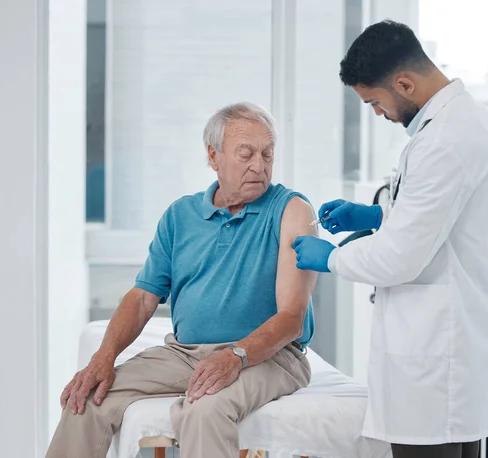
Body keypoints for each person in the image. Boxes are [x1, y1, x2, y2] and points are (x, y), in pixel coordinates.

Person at [292, 20, 488, 458]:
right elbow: (445, 217)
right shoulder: (458, 122)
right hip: (450, 351)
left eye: (375, 101)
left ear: (404, 83)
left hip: (442, 359)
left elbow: (400, 258)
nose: (377, 113)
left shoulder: (447, 139)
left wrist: (331, 259)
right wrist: (380, 214)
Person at [46, 102, 318, 458]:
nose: (259, 165)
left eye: (267, 153)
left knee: (205, 410)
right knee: (87, 399)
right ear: (213, 155)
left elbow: (292, 318)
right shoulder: (180, 215)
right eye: (246, 153)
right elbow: (143, 297)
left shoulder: (293, 211)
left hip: (269, 356)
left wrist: (236, 355)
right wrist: (103, 358)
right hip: (186, 354)